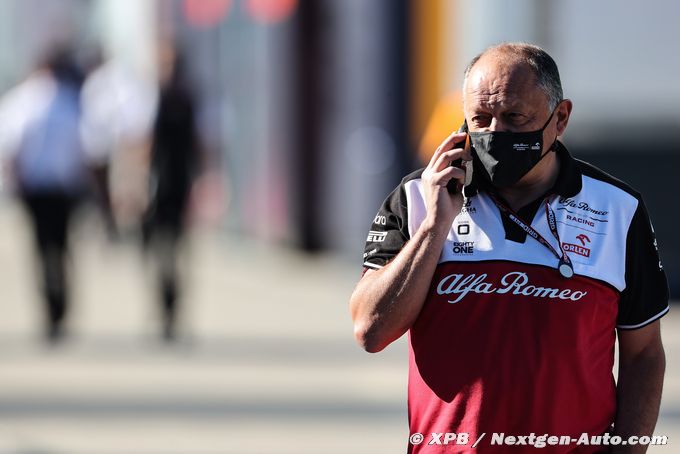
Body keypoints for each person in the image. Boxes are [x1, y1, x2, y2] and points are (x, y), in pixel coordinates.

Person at [350, 43, 668, 453]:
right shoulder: (417, 197)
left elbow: (644, 353)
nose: (496, 133)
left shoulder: (618, 209)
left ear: (561, 118)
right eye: (480, 119)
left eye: (515, 118)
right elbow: (371, 331)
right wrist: (433, 227)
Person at [0, 48, 87, 342]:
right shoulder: (69, 100)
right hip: (63, 188)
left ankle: (50, 308)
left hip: (35, 190)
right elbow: (84, 146)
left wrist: (14, 183)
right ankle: (60, 304)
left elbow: (10, 149)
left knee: (41, 250)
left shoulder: (21, 101)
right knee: (61, 249)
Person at [142, 44, 201, 341]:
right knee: (173, 254)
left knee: (163, 254)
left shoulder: (163, 98)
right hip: (176, 187)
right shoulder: (187, 98)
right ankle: (170, 311)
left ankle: (167, 310)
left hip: (164, 189)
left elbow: (149, 146)